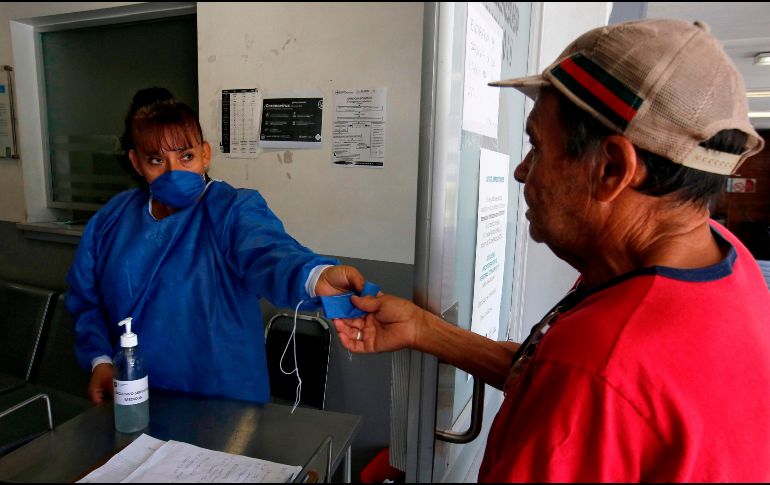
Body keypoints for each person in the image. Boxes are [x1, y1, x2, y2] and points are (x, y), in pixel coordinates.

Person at [334, 19, 770, 481]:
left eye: (537, 147)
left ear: (612, 169)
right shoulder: (722, 258)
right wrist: (425, 330)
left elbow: (587, 380)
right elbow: (549, 379)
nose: (522, 172)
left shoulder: (601, 360)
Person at [67, 88, 365, 405]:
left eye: (186, 157)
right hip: (134, 395)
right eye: (156, 160)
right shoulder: (112, 219)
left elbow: (269, 252)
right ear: (136, 163)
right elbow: (87, 299)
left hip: (223, 400)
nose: (174, 172)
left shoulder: (232, 210)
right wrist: (100, 360)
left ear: (205, 154)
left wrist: (315, 276)